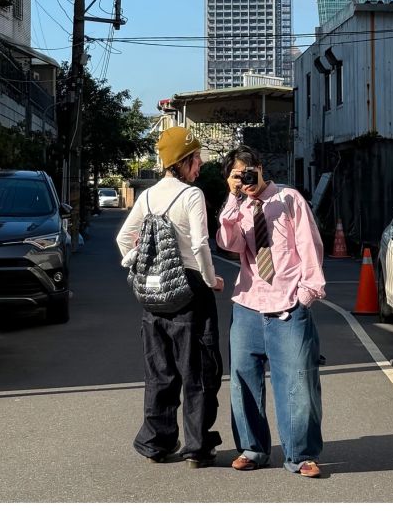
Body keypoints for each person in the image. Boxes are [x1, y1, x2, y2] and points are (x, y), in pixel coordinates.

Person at [116, 126, 224, 468]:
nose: (201, 165)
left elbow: (123, 239)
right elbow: (200, 244)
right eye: (197, 159)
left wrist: (136, 267)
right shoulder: (192, 196)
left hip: (156, 289)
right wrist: (212, 279)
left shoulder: (147, 196)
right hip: (191, 290)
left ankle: (157, 443)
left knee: (160, 371)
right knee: (198, 370)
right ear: (184, 160)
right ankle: (196, 446)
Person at [217, 144, 325, 478]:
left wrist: (306, 294)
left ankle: (300, 455)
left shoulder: (290, 200)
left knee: (297, 382)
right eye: (237, 175)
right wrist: (234, 199)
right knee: (243, 380)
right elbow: (228, 244)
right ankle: (252, 448)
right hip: (248, 303)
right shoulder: (240, 207)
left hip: (288, 304)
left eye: (248, 172)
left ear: (260, 168)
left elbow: (310, 246)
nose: (245, 179)